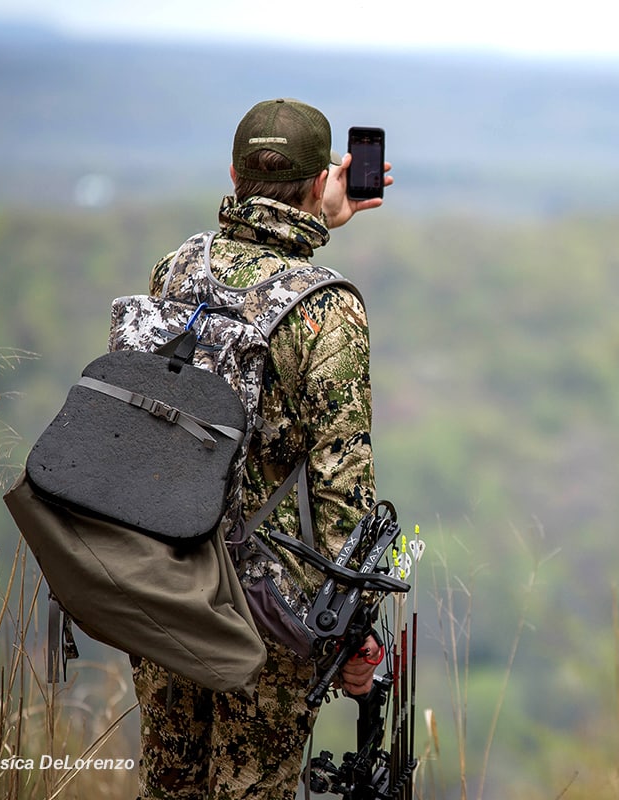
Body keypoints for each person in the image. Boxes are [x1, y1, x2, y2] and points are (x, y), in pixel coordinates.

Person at [132, 97, 392, 800]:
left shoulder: (177, 269)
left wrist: (315, 222)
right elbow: (343, 485)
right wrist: (353, 630)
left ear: (233, 174)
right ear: (318, 183)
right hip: (264, 613)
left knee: (169, 784)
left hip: (159, 580)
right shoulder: (326, 309)